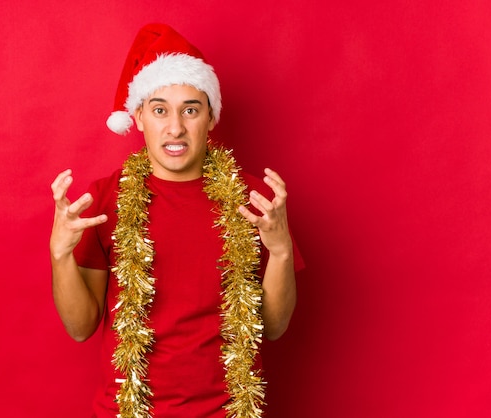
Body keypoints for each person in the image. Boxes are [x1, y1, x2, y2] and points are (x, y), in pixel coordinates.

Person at [50, 23, 305, 418]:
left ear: (211, 118)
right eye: (159, 110)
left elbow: (272, 327)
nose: (175, 128)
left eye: (191, 110)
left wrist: (281, 250)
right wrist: (60, 256)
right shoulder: (106, 199)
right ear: (138, 118)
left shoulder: (256, 200)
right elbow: (81, 327)